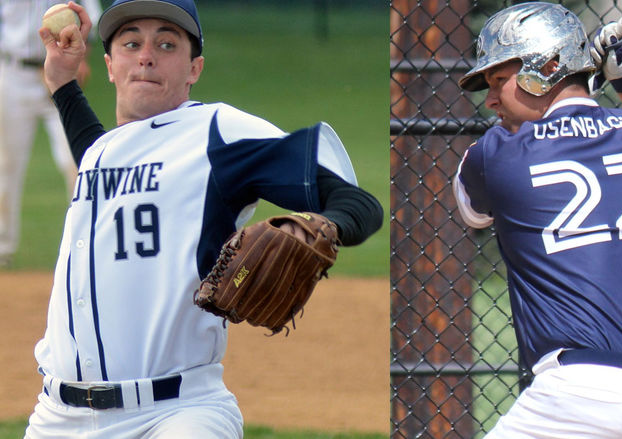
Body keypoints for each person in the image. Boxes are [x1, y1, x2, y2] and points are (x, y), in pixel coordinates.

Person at [25, 0, 383, 437]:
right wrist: (62, 83)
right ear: (110, 65)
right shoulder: (103, 153)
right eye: (131, 42)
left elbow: (358, 203)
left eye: (167, 43)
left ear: (194, 68)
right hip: (58, 418)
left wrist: (317, 226)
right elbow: (101, 158)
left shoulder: (218, 132)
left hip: (176, 413)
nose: (146, 54)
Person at [453, 3, 622, 438]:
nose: (490, 98)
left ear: (549, 66)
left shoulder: (496, 154)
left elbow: (474, 210)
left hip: (584, 397)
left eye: (500, 79)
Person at [0, 0, 101, 268]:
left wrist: (83, 58)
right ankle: (2, 249)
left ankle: (86, 246)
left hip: (62, 71)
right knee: (5, 165)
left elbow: (91, 14)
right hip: (13, 74)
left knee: (78, 163)